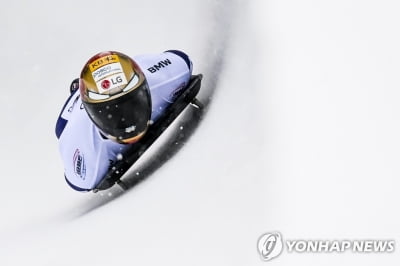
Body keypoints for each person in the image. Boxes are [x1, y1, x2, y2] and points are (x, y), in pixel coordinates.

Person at [55, 50, 193, 192]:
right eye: (111, 114)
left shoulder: (166, 79)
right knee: (60, 127)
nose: (126, 122)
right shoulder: (82, 148)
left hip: (139, 72)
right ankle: (78, 93)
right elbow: (181, 58)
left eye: (132, 105)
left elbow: (179, 60)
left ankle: (85, 91)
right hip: (79, 117)